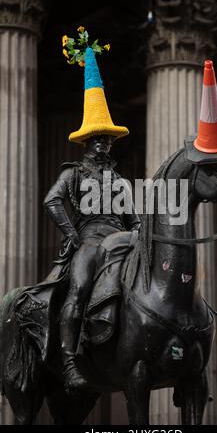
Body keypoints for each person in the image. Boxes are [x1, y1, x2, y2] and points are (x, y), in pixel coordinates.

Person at [44, 44, 140, 392]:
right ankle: (69, 361)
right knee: (80, 288)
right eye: (98, 139)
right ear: (86, 141)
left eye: (108, 139)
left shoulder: (120, 180)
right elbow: (52, 201)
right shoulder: (73, 174)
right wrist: (70, 232)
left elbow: (135, 220)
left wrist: (144, 236)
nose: (104, 144)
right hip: (89, 240)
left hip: (122, 241)